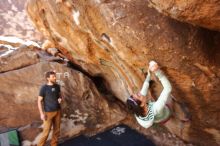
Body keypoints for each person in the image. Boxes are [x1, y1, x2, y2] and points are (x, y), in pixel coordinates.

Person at [127, 61, 172, 128]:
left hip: (156, 118)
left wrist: (148, 76)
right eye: (138, 95)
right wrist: (157, 71)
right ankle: (170, 114)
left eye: (136, 94)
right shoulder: (156, 108)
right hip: (165, 114)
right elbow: (168, 88)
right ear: (142, 104)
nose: (140, 93)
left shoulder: (137, 109)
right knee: (168, 102)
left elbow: (144, 90)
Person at [37, 71, 62, 146]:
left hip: (58, 111)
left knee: (57, 130)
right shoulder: (44, 88)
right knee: (46, 132)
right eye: (53, 77)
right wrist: (41, 114)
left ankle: (54, 144)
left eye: (55, 76)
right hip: (48, 113)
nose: (55, 78)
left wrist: (60, 99)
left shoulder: (57, 86)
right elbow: (39, 101)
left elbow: (60, 95)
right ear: (48, 78)